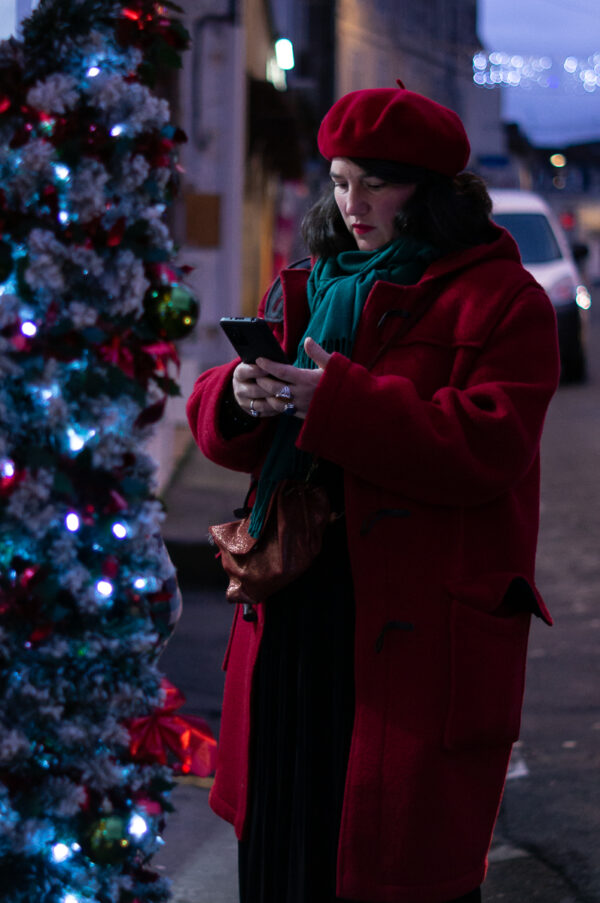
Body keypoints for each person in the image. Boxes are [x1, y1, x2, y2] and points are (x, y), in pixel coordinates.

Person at [186, 82, 560, 903]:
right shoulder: (304, 285)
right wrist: (237, 393)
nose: (352, 202)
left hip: (410, 631)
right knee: (286, 845)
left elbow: (485, 445)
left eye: (375, 182)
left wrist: (341, 404)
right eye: (342, 179)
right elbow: (221, 435)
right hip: (294, 611)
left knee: (393, 865)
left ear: (430, 189)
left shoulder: (505, 300)